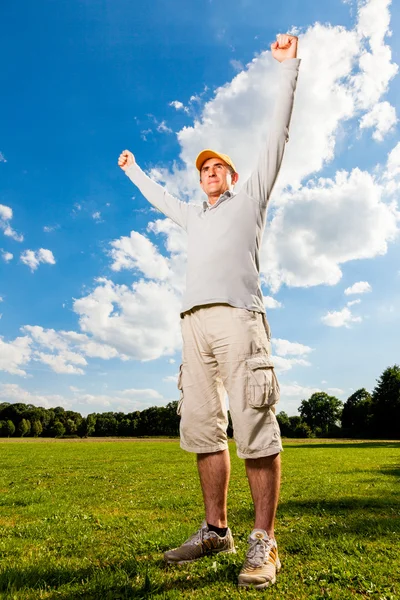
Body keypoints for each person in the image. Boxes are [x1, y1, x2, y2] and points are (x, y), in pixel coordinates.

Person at [118, 33, 300, 591]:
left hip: (238, 319)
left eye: (219, 167)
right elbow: (159, 199)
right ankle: (216, 529)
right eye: (204, 169)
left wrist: (288, 69)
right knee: (202, 431)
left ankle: (263, 542)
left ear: (235, 177)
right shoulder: (193, 215)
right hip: (191, 325)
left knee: (254, 426)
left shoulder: (250, 199)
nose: (211, 173)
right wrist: (132, 169)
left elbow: (276, 136)